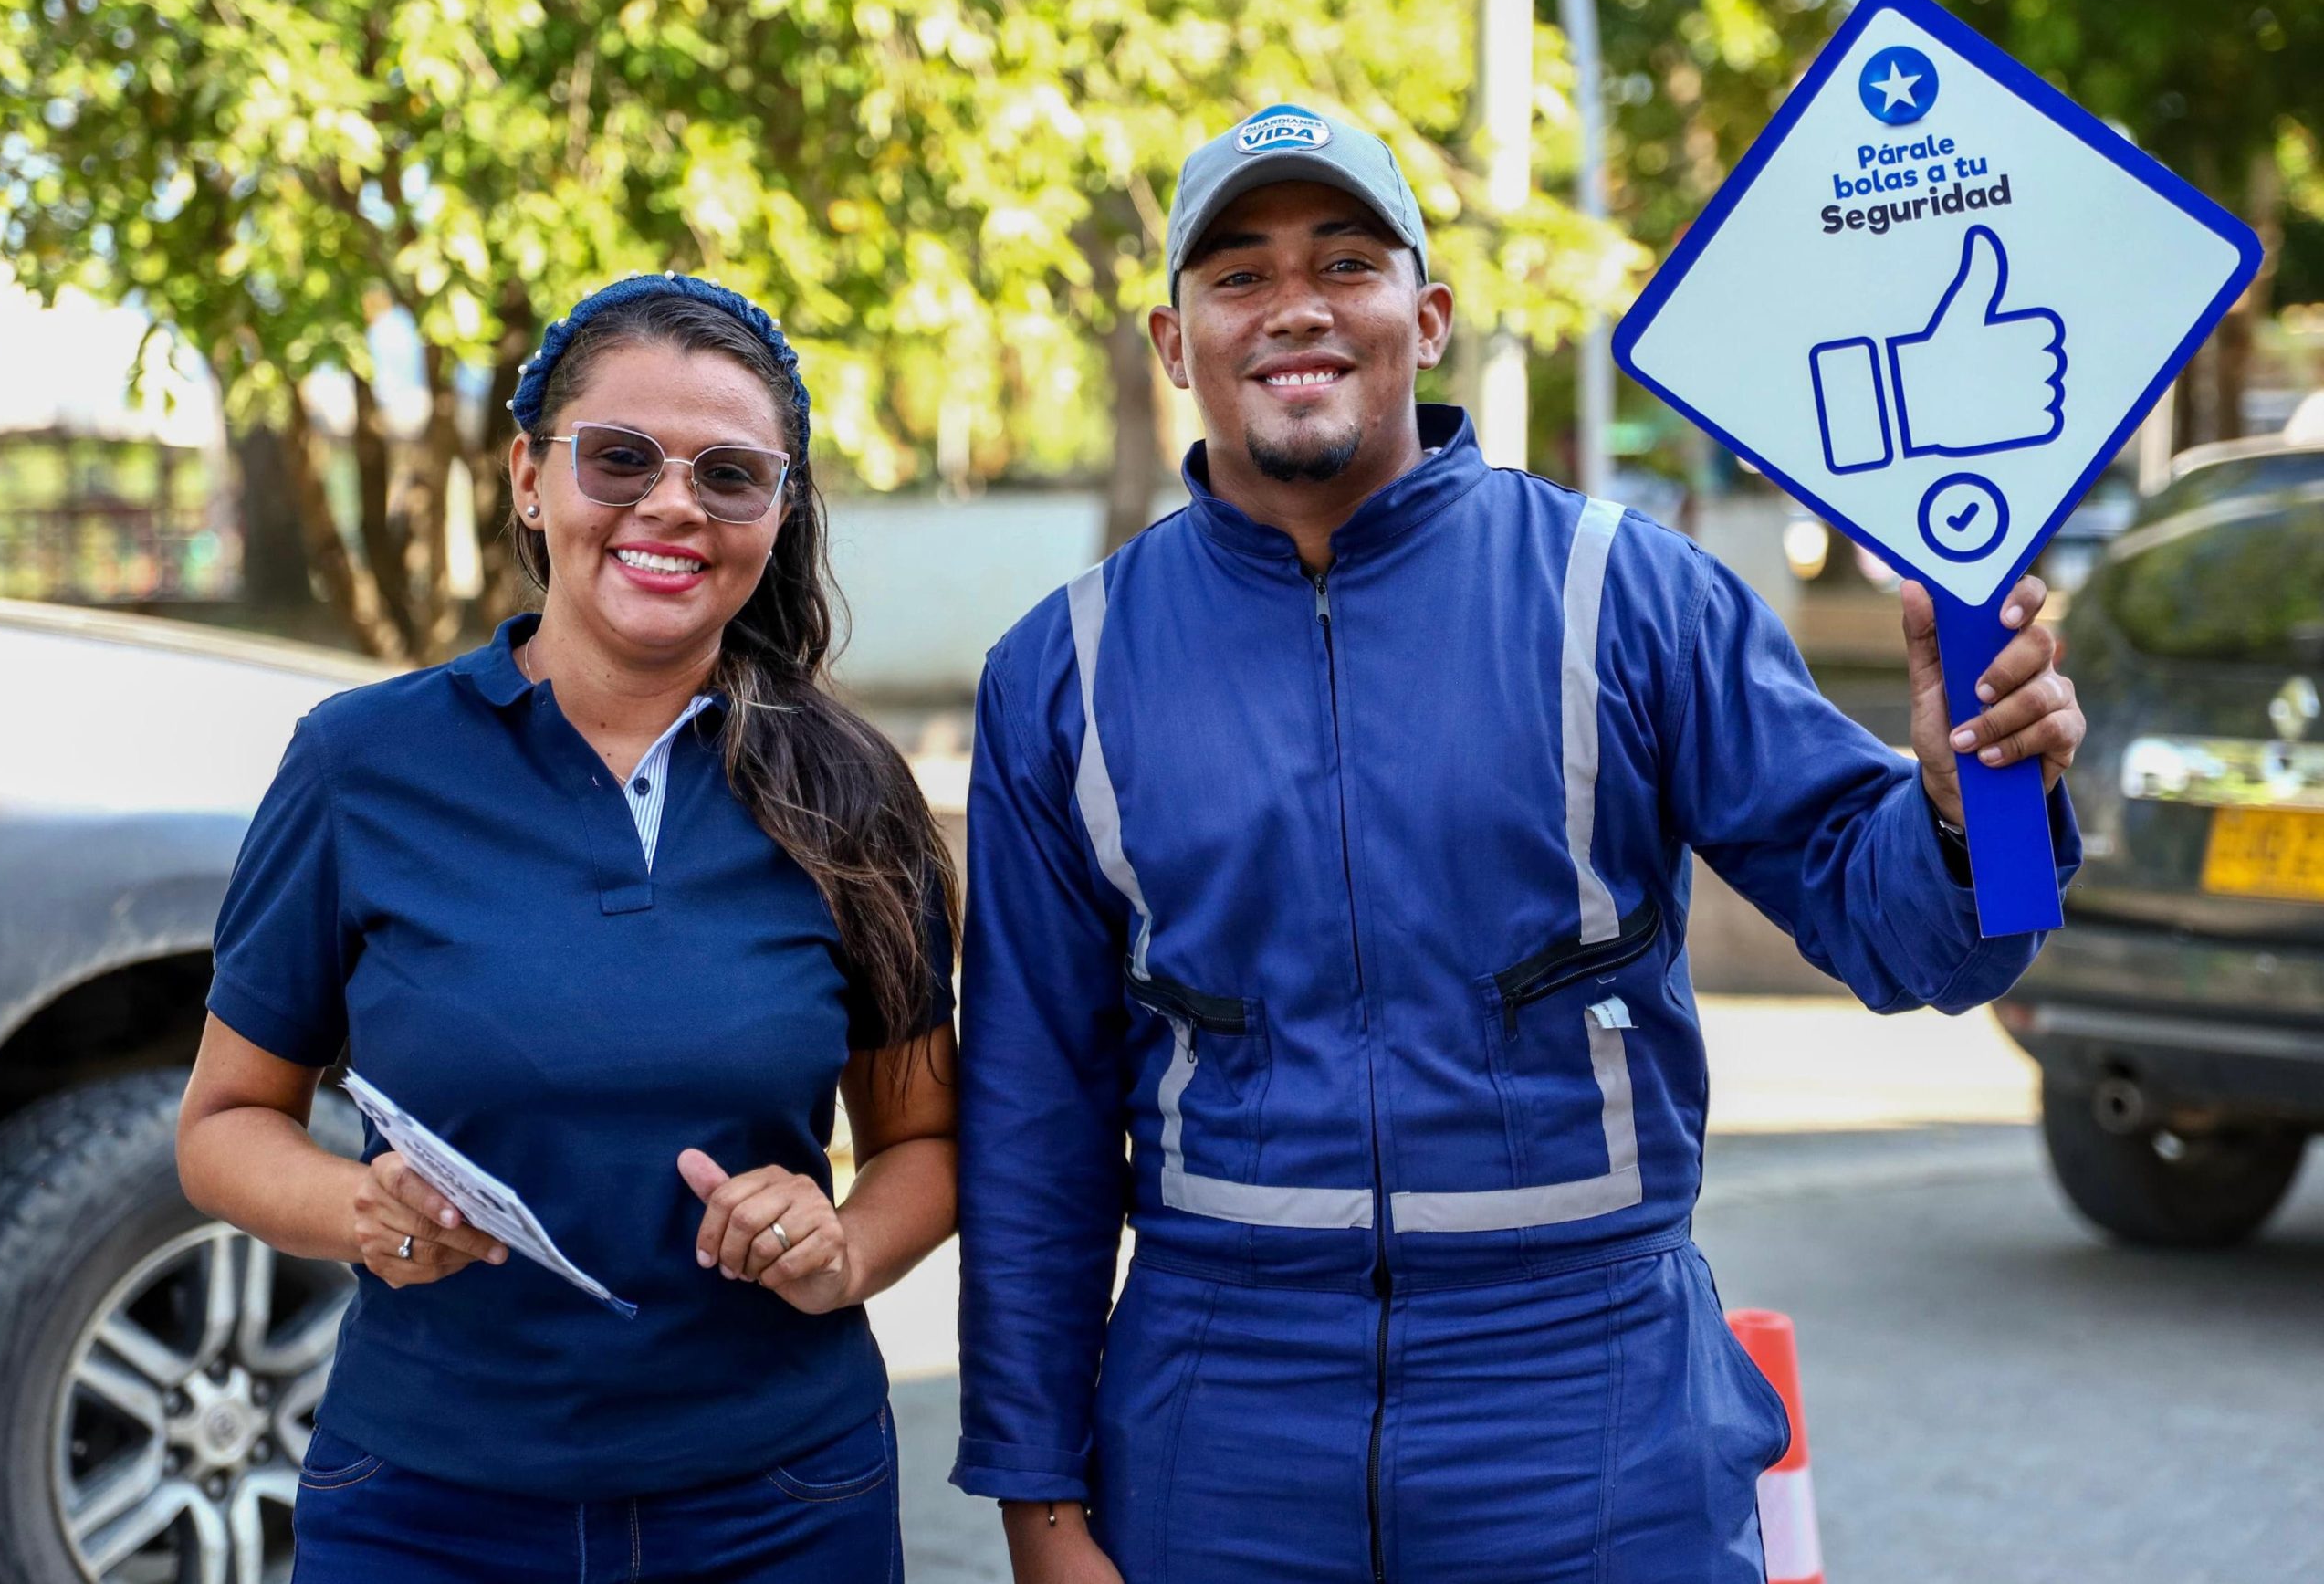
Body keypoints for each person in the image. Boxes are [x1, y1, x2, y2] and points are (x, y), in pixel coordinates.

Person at [951, 106, 2087, 1583]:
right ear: (1175, 343)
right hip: (1217, 1427)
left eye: (1346, 261)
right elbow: (1032, 1113)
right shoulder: (1062, 670)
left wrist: (1963, 804)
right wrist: (1038, 1505)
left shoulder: (1631, 597)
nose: (1295, 303)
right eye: (1238, 275)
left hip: (1591, 1410)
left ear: (1424, 319)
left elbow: (1920, 942)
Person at [175, 275, 957, 1583]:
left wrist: (847, 1247)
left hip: (783, 1506)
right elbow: (220, 1128)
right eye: (621, 457)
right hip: (429, 1509)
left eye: (730, 474)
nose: (671, 504)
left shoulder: (852, 793)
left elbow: (923, 1141)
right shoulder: (357, 768)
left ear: (777, 512)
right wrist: (358, 1209)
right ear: (532, 478)